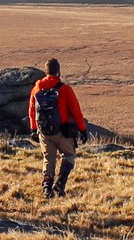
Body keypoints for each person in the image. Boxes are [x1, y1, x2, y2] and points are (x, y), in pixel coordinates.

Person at [28, 58, 89, 198]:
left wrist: (33, 129)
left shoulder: (37, 88)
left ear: (45, 72)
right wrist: (82, 129)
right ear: (59, 72)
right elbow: (75, 111)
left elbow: (31, 110)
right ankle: (59, 185)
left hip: (44, 131)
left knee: (49, 159)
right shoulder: (65, 89)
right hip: (63, 131)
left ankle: (46, 188)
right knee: (69, 155)